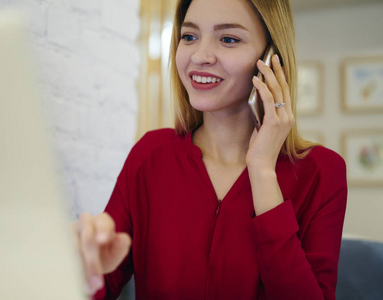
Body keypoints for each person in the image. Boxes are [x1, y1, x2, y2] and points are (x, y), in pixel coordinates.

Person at [76, 0, 348, 299]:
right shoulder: (150, 155)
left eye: (228, 39)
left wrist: (262, 172)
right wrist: (77, 264)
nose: (200, 56)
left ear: (272, 59)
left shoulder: (322, 172)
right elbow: (96, 287)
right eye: (189, 36)